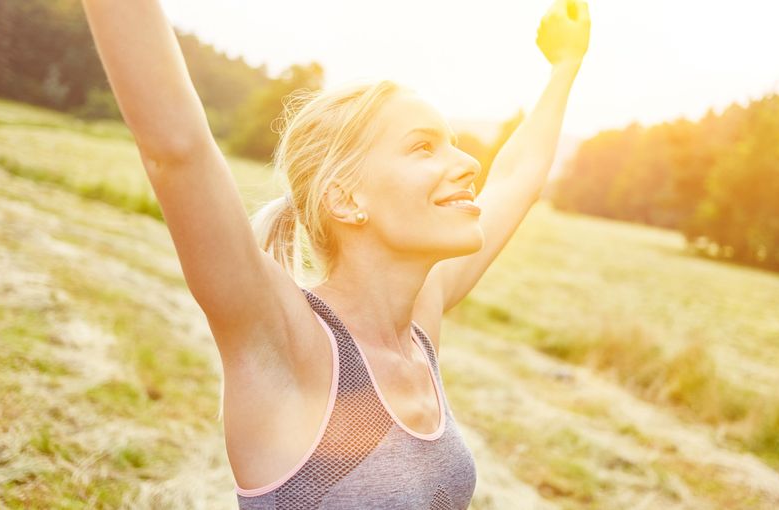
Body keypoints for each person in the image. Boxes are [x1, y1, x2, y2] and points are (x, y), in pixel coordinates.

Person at [80, 0, 590, 507]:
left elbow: (515, 178)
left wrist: (565, 66)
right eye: (423, 148)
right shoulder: (287, 340)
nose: (468, 164)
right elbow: (176, 149)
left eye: (453, 144)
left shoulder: (419, 324)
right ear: (346, 199)